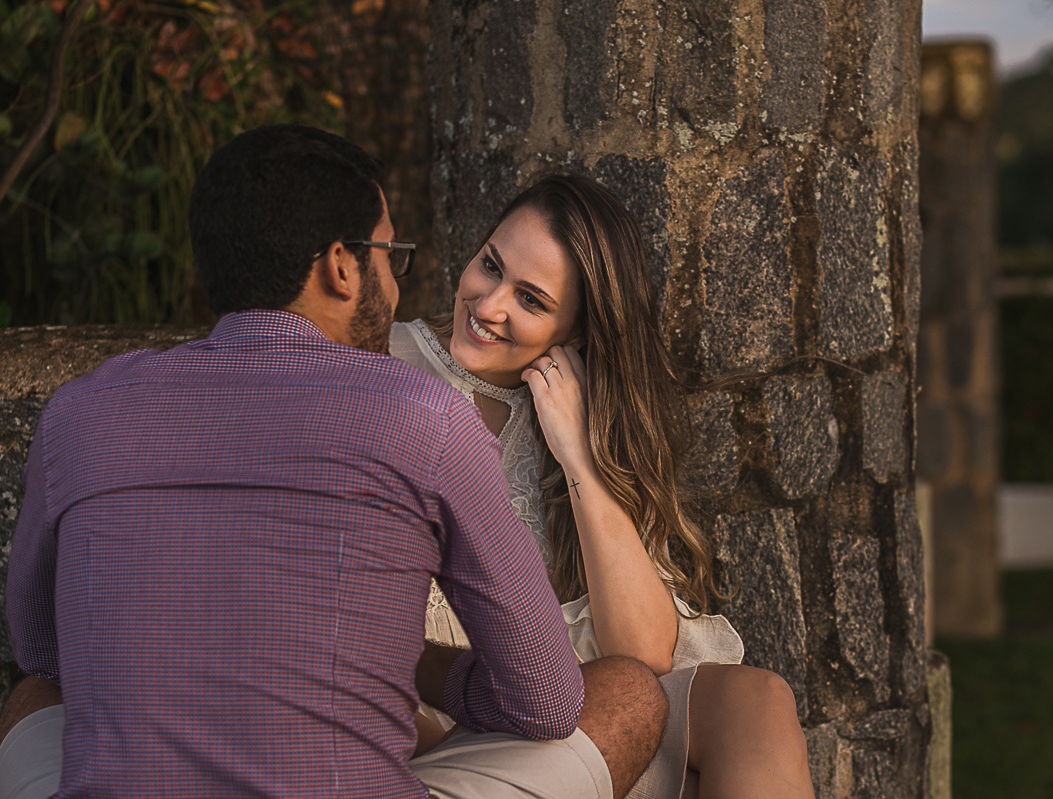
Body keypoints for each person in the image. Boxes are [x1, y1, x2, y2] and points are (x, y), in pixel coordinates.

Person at [0, 125, 667, 799]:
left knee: (31, 698)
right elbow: (544, 703)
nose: (396, 283)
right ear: (341, 267)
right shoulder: (426, 416)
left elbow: (42, 652)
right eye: (390, 256)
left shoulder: (79, 413)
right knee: (629, 695)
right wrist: (417, 666)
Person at [390, 173, 816, 799]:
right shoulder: (386, 362)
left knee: (756, 702)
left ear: (580, 333)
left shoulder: (583, 417)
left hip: (578, 712)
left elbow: (641, 658)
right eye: (490, 266)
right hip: (437, 714)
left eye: (530, 300)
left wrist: (579, 459)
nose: (487, 306)